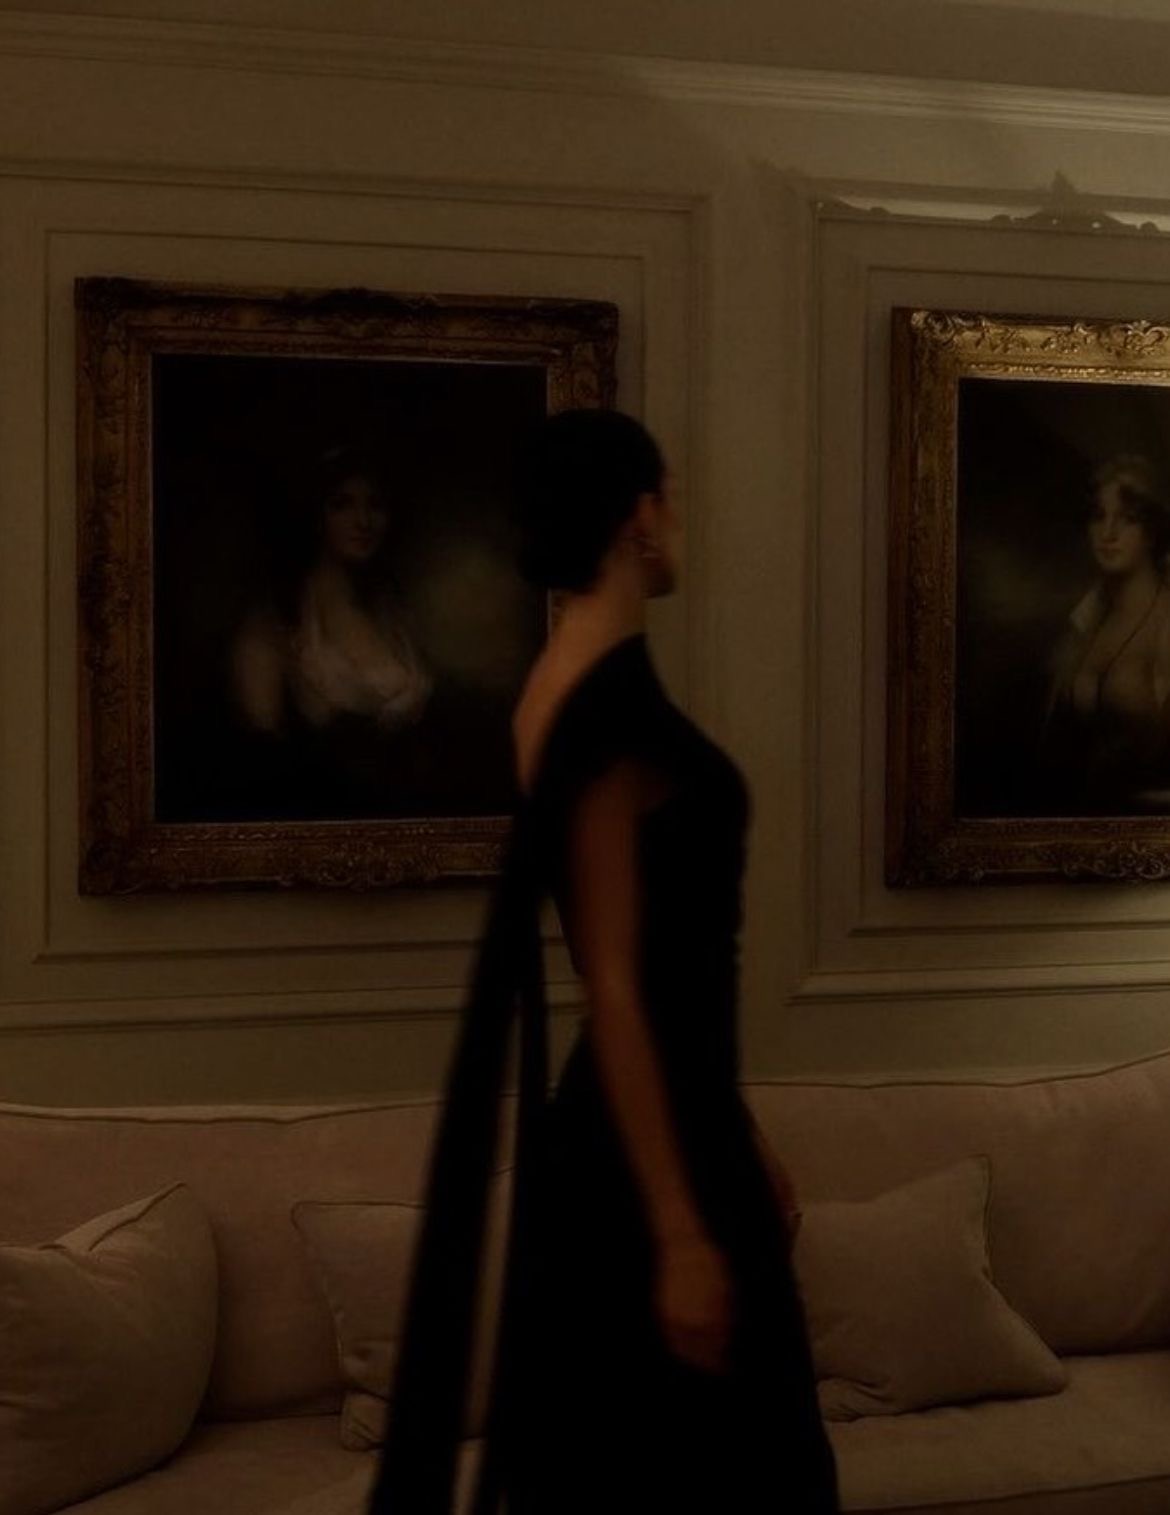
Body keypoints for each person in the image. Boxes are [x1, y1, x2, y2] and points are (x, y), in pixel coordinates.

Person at [367, 409, 839, 1513]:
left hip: (673, 1122)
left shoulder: (577, 681)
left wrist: (740, 1130)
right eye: (672, 497)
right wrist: (678, 1231)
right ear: (639, 516)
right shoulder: (596, 704)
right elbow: (614, 982)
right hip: (642, 1161)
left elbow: (662, 979)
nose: (680, 522)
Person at [225, 445, 434, 818]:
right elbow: (265, 758)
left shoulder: (396, 614)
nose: (363, 521)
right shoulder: (277, 621)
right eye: (342, 505)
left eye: (375, 505)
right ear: (318, 516)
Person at [1042, 453, 1170, 812]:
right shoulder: (1091, 614)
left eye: (1127, 519)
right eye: (1099, 516)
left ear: (1151, 531)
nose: (1108, 533)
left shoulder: (1166, 620)